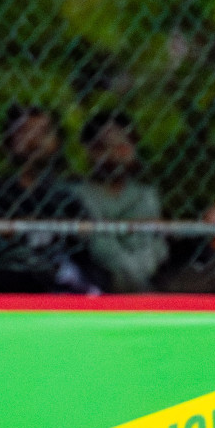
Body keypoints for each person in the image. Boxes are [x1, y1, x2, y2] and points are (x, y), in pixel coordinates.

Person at [0, 104, 92, 292]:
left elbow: (83, 241)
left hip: (58, 274)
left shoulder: (69, 193)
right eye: (25, 132)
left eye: (43, 132)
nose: (35, 141)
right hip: (4, 273)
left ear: (57, 140)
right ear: (9, 140)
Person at [73, 111, 166, 292]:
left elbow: (155, 246)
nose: (114, 153)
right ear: (90, 150)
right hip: (99, 284)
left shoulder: (146, 195)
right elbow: (101, 247)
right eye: (104, 146)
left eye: (122, 145)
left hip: (145, 278)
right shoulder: (79, 195)